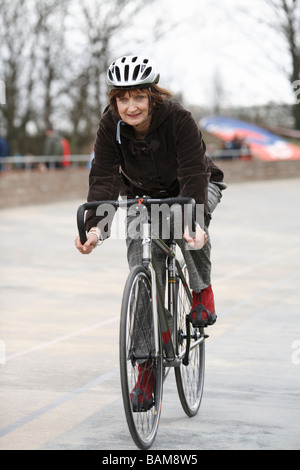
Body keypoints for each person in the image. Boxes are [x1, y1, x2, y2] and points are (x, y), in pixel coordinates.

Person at [75, 55, 226, 406]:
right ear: (114, 100)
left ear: (152, 96)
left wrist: (196, 224)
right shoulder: (110, 125)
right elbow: (104, 177)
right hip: (142, 197)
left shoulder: (178, 119)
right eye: (122, 98)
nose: (131, 106)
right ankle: (146, 368)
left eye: (138, 97)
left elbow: (192, 173)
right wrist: (94, 230)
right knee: (142, 268)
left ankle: (202, 290)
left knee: (186, 226)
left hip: (196, 186)